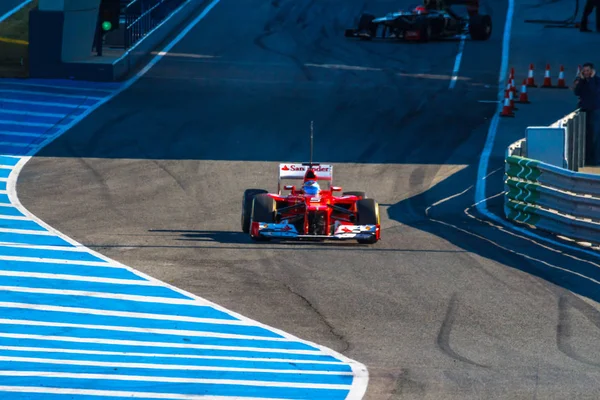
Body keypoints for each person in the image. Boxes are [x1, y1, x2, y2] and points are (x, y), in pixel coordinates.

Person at [573, 62, 600, 165]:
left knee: (595, 136)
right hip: (584, 111)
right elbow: (577, 92)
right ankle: (586, 158)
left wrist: (592, 79)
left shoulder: (597, 81)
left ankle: (595, 159)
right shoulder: (581, 81)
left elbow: (594, 91)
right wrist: (580, 81)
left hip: (595, 111)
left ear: (592, 71)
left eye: (588, 71)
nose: (586, 73)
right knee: (585, 136)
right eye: (584, 71)